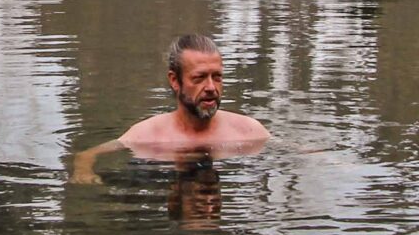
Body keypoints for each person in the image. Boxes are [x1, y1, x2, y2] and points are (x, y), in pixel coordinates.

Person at [69, 34, 271, 183]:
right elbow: (87, 155)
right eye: (199, 78)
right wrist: (83, 170)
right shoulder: (147, 135)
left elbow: (293, 150)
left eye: (217, 77)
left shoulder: (248, 130)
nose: (211, 88)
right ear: (175, 81)